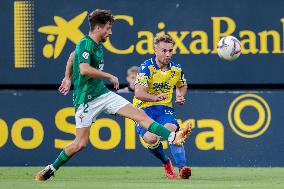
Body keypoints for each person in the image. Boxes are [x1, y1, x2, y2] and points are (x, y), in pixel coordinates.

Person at [35, 9, 191, 181]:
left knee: (139, 115)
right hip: (85, 101)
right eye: (108, 28)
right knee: (80, 144)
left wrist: (66, 77)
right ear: (99, 27)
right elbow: (84, 69)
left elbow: (72, 57)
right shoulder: (85, 43)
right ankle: (51, 168)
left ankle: (173, 137)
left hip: (103, 94)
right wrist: (108, 76)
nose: (110, 32)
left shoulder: (95, 45)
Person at [133, 34, 191, 179]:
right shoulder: (146, 67)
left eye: (170, 51)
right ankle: (166, 163)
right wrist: (154, 97)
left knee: (171, 128)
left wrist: (180, 95)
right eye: (164, 50)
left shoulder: (176, 69)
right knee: (151, 139)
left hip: (164, 108)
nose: (168, 54)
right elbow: (139, 93)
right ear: (155, 50)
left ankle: (183, 168)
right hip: (143, 108)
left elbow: (182, 85)